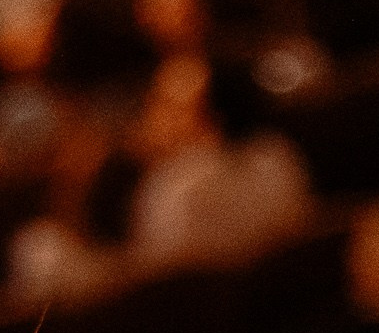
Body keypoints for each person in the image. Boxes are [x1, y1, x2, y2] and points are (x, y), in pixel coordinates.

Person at [129, 53, 314, 270]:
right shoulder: (279, 158)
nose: (151, 114)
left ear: (212, 120)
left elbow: (157, 281)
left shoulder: (176, 193)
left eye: (167, 104)